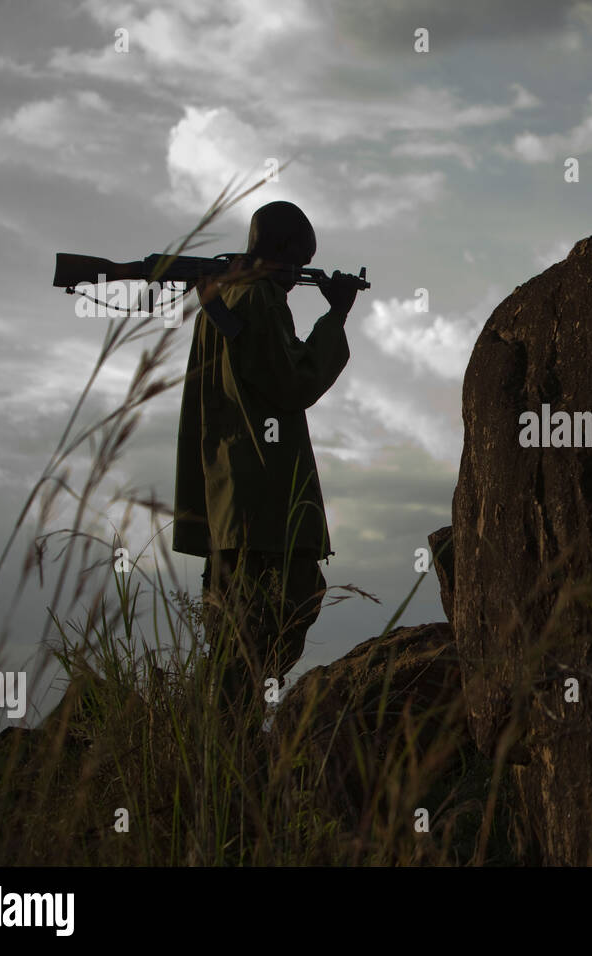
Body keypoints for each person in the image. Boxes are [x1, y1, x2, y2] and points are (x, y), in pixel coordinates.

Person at [172, 201, 363, 726]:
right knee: (279, 618)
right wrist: (336, 315)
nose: (296, 276)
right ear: (278, 252)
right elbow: (292, 382)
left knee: (234, 643)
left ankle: (211, 751)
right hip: (268, 508)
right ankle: (227, 749)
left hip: (230, 506)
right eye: (298, 260)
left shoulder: (223, 295)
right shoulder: (256, 297)